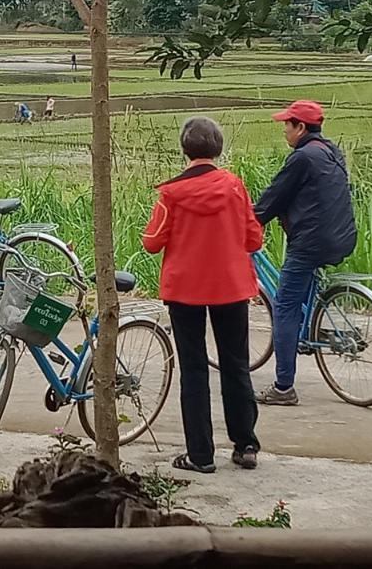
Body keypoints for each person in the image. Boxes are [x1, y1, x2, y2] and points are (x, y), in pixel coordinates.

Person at [142, 117, 264, 474]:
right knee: (236, 365)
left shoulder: (171, 193)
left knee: (193, 369)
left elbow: (151, 243)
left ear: (185, 149)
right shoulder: (234, 187)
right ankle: (246, 445)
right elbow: (253, 238)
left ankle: (200, 454)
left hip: (185, 290)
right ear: (218, 149)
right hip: (231, 286)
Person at [252, 101, 357, 406]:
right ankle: (308, 328)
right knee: (299, 296)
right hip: (340, 238)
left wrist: (248, 218)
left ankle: (283, 388)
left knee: (285, 306)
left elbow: (274, 196)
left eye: (287, 124)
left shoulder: (302, 158)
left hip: (311, 243)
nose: (284, 129)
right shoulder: (330, 151)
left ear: (300, 127)